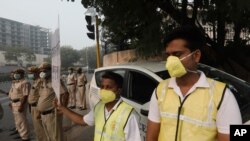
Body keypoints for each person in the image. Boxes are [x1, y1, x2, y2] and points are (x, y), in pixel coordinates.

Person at [146, 26, 242, 141]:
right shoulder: (160, 90)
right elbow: (151, 137)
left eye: (177, 55)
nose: (170, 61)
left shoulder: (222, 95)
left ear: (196, 56)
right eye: (168, 55)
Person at [54, 71, 141, 141]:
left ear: (119, 90)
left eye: (109, 87)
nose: (104, 90)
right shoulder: (99, 107)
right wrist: (62, 108)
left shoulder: (130, 115)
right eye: (102, 86)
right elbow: (81, 120)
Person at [37, 62, 69, 141]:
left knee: (56, 136)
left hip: (52, 114)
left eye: (44, 70)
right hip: (43, 114)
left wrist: (62, 109)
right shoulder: (42, 81)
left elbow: (65, 94)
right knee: (49, 137)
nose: (42, 72)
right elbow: (41, 97)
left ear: (49, 71)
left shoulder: (55, 81)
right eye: (40, 71)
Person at [8, 68, 30, 141]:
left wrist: (21, 105)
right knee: (18, 121)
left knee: (22, 121)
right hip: (14, 103)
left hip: (20, 103)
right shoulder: (15, 82)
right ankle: (21, 134)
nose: (15, 74)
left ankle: (25, 137)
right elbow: (12, 93)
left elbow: (25, 95)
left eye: (17, 73)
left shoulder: (24, 82)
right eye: (15, 73)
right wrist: (11, 102)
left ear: (22, 74)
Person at [27, 66, 46, 141]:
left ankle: (43, 139)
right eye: (29, 73)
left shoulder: (40, 82)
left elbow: (42, 95)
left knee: (40, 126)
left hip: (37, 106)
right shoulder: (35, 82)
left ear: (37, 73)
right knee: (37, 126)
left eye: (31, 73)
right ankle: (40, 138)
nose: (30, 75)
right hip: (33, 107)